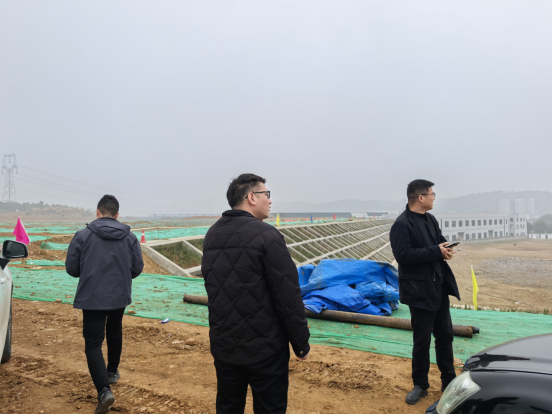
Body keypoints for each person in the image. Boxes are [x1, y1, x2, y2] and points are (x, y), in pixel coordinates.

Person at [201, 173, 311, 414]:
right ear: (251, 197)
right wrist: (300, 343)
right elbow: (287, 295)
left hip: (224, 344)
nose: (269, 200)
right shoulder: (268, 235)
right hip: (265, 348)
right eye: (266, 194)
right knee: (270, 408)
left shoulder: (212, 234)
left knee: (228, 406)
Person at [66, 195, 144, 414]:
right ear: (117, 215)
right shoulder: (129, 238)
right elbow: (137, 268)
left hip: (92, 297)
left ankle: (104, 391)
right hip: (118, 295)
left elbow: (72, 269)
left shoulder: (82, 235)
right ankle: (111, 372)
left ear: (97, 212)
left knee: (93, 344)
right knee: (114, 331)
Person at [389, 180, 460, 405]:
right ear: (421, 198)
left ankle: (448, 381)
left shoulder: (430, 219)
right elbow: (404, 255)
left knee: (445, 335)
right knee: (422, 341)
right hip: (419, 291)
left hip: (438, 286)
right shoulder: (402, 224)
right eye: (432, 194)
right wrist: (436, 251)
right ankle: (420, 385)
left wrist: (445, 249)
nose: (434, 197)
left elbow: (437, 243)